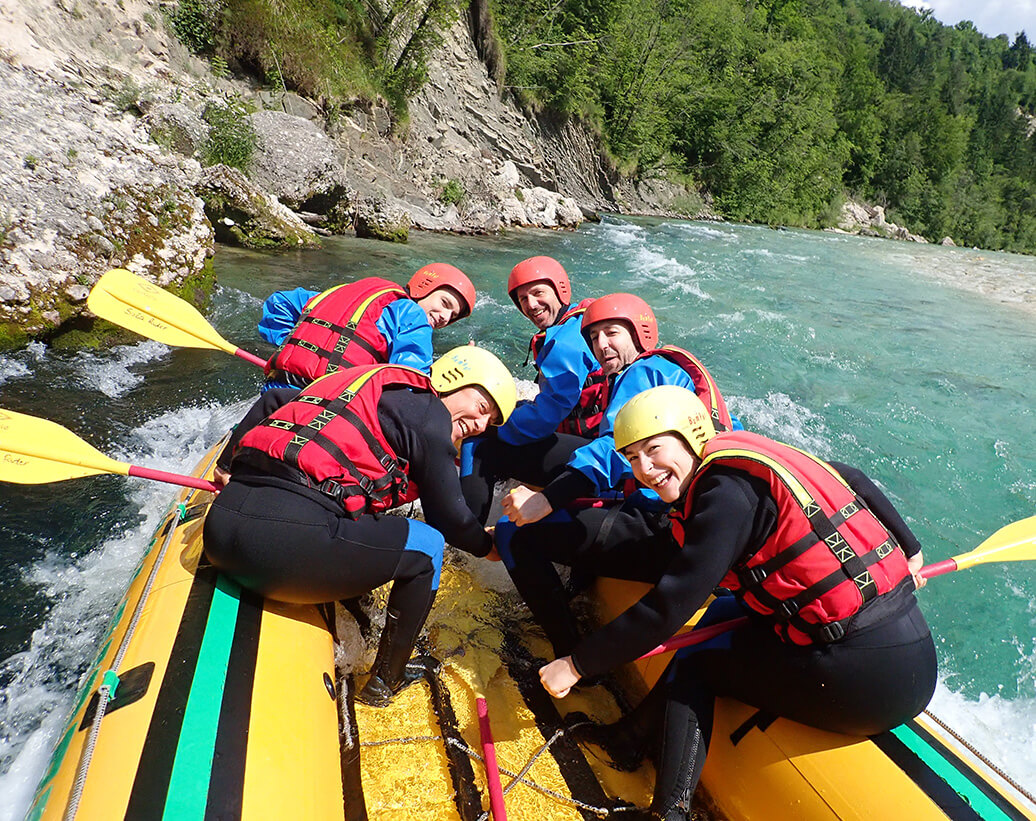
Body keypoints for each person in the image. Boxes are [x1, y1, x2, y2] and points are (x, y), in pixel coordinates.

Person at [539, 385, 937, 820]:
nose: (646, 469)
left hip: (868, 680)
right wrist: (910, 548)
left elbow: (667, 608)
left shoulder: (725, 495)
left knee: (699, 665)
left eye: (654, 448)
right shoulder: (751, 456)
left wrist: (577, 664)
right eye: (633, 458)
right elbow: (855, 477)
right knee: (726, 610)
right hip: (904, 648)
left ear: (690, 435)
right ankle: (632, 737)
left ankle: (669, 814)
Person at [203, 346, 517, 707]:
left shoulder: (353, 385)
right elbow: (449, 519)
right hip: (279, 556)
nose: (478, 425)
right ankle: (387, 679)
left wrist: (228, 465)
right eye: (482, 408)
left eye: (487, 422)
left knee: (356, 517)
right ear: (454, 379)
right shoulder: (432, 416)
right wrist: (485, 547)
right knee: (428, 546)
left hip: (221, 532)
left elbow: (273, 400)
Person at [491, 293, 740, 659]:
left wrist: (546, 500)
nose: (601, 345)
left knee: (515, 535)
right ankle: (581, 584)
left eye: (612, 333)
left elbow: (610, 451)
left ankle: (567, 650)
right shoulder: (677, 372)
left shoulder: (643, 372)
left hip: (667, 530)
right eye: (593, 338)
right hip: (708, 525)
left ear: (639, 335)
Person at [459, 256, 600, 523]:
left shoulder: (566, 343)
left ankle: (466, 534)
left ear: (560, 290)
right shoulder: (576, 326)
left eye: (538, 293)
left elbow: (546, 416)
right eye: (523, 299)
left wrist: (491, 422)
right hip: (598, 443)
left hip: (596, 456)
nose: (531, 305)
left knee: (478, 443)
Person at [259, 263, 477, 390]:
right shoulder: (413, 316)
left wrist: (294, 347)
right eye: (444, 304)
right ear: (425, 287)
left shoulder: (345, 294)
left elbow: (279, 303)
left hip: (273, 390)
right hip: (322, 410)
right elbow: (411, 386)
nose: (445, 318)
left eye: (452, 315)